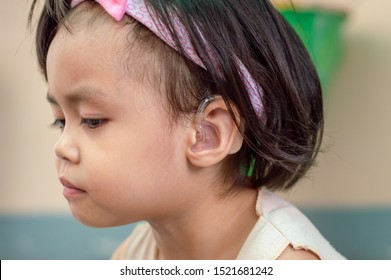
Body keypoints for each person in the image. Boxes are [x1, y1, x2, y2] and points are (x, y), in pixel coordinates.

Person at [29, 0, 345, 260]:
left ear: (207, 134)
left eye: (92, 120)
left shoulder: (290, 264)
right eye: (60, 120)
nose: (62, 147)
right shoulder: (133, 255)